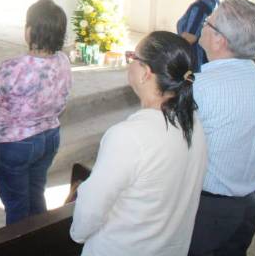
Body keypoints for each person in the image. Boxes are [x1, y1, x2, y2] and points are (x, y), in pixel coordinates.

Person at [70, 31, 207, 256]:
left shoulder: (128, 137)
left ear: (145, 72)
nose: (129, 63)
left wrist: (78, 234)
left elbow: (90, 210)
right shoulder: (193, 123)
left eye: (133, 57)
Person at [188, 0, 255, 256]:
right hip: (248, 206)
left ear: (220, 40)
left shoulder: (201, 88)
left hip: (208, 212)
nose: (203, 24)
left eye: (208, 22)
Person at [0, 0, 72, 225]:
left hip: (14, 143)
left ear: (30, 31)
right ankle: (42, 244)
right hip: (49, 136)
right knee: (36, 195)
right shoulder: (63, 61)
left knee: (16, 205)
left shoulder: (13, 68)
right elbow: (63, 96)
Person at [177, 0, 219, 72]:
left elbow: (189, 38)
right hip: (210, 58)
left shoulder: (200, 7)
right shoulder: (214, 0)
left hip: (197, 62)